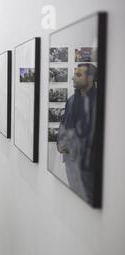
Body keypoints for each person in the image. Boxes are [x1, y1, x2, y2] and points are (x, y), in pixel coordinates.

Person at [57, 63, 98, 205]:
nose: (73, 77)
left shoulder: (99, 103)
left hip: (87, 166)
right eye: (74, 73)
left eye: (78, 75)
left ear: (91, 78)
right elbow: (64, 123)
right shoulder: (71, 100)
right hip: (70, 162)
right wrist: (60, 143)